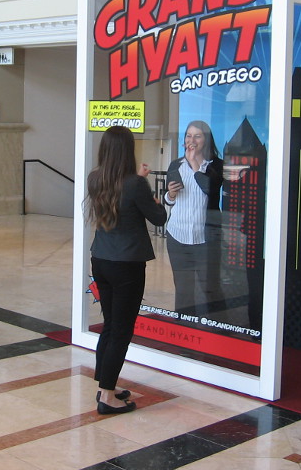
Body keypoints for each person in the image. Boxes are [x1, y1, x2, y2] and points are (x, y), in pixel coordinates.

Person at [85, 126, 167, 415]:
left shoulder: (95, 178)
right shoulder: (135, 184)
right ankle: (107, 397)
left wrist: (139, 181)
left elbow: (120, 194)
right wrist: (154, 198)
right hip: (127, 264)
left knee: (110, 325)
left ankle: (104, 385)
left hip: (101, 259)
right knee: (121, 330)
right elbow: (158, 217)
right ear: (127, 150)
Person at [164, 120, 226, 317]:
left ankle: (217, 329)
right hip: (177, 236)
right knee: (183, 289)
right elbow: (169, 200)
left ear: (206, 140)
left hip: (206, 238)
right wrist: (170, 195)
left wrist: (194, 163)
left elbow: (210, 188)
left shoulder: (217, 165)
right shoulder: (175, 165)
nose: (192, 140)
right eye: (188, 136)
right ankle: (184, 328)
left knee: (210, 288)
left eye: (197, 136)